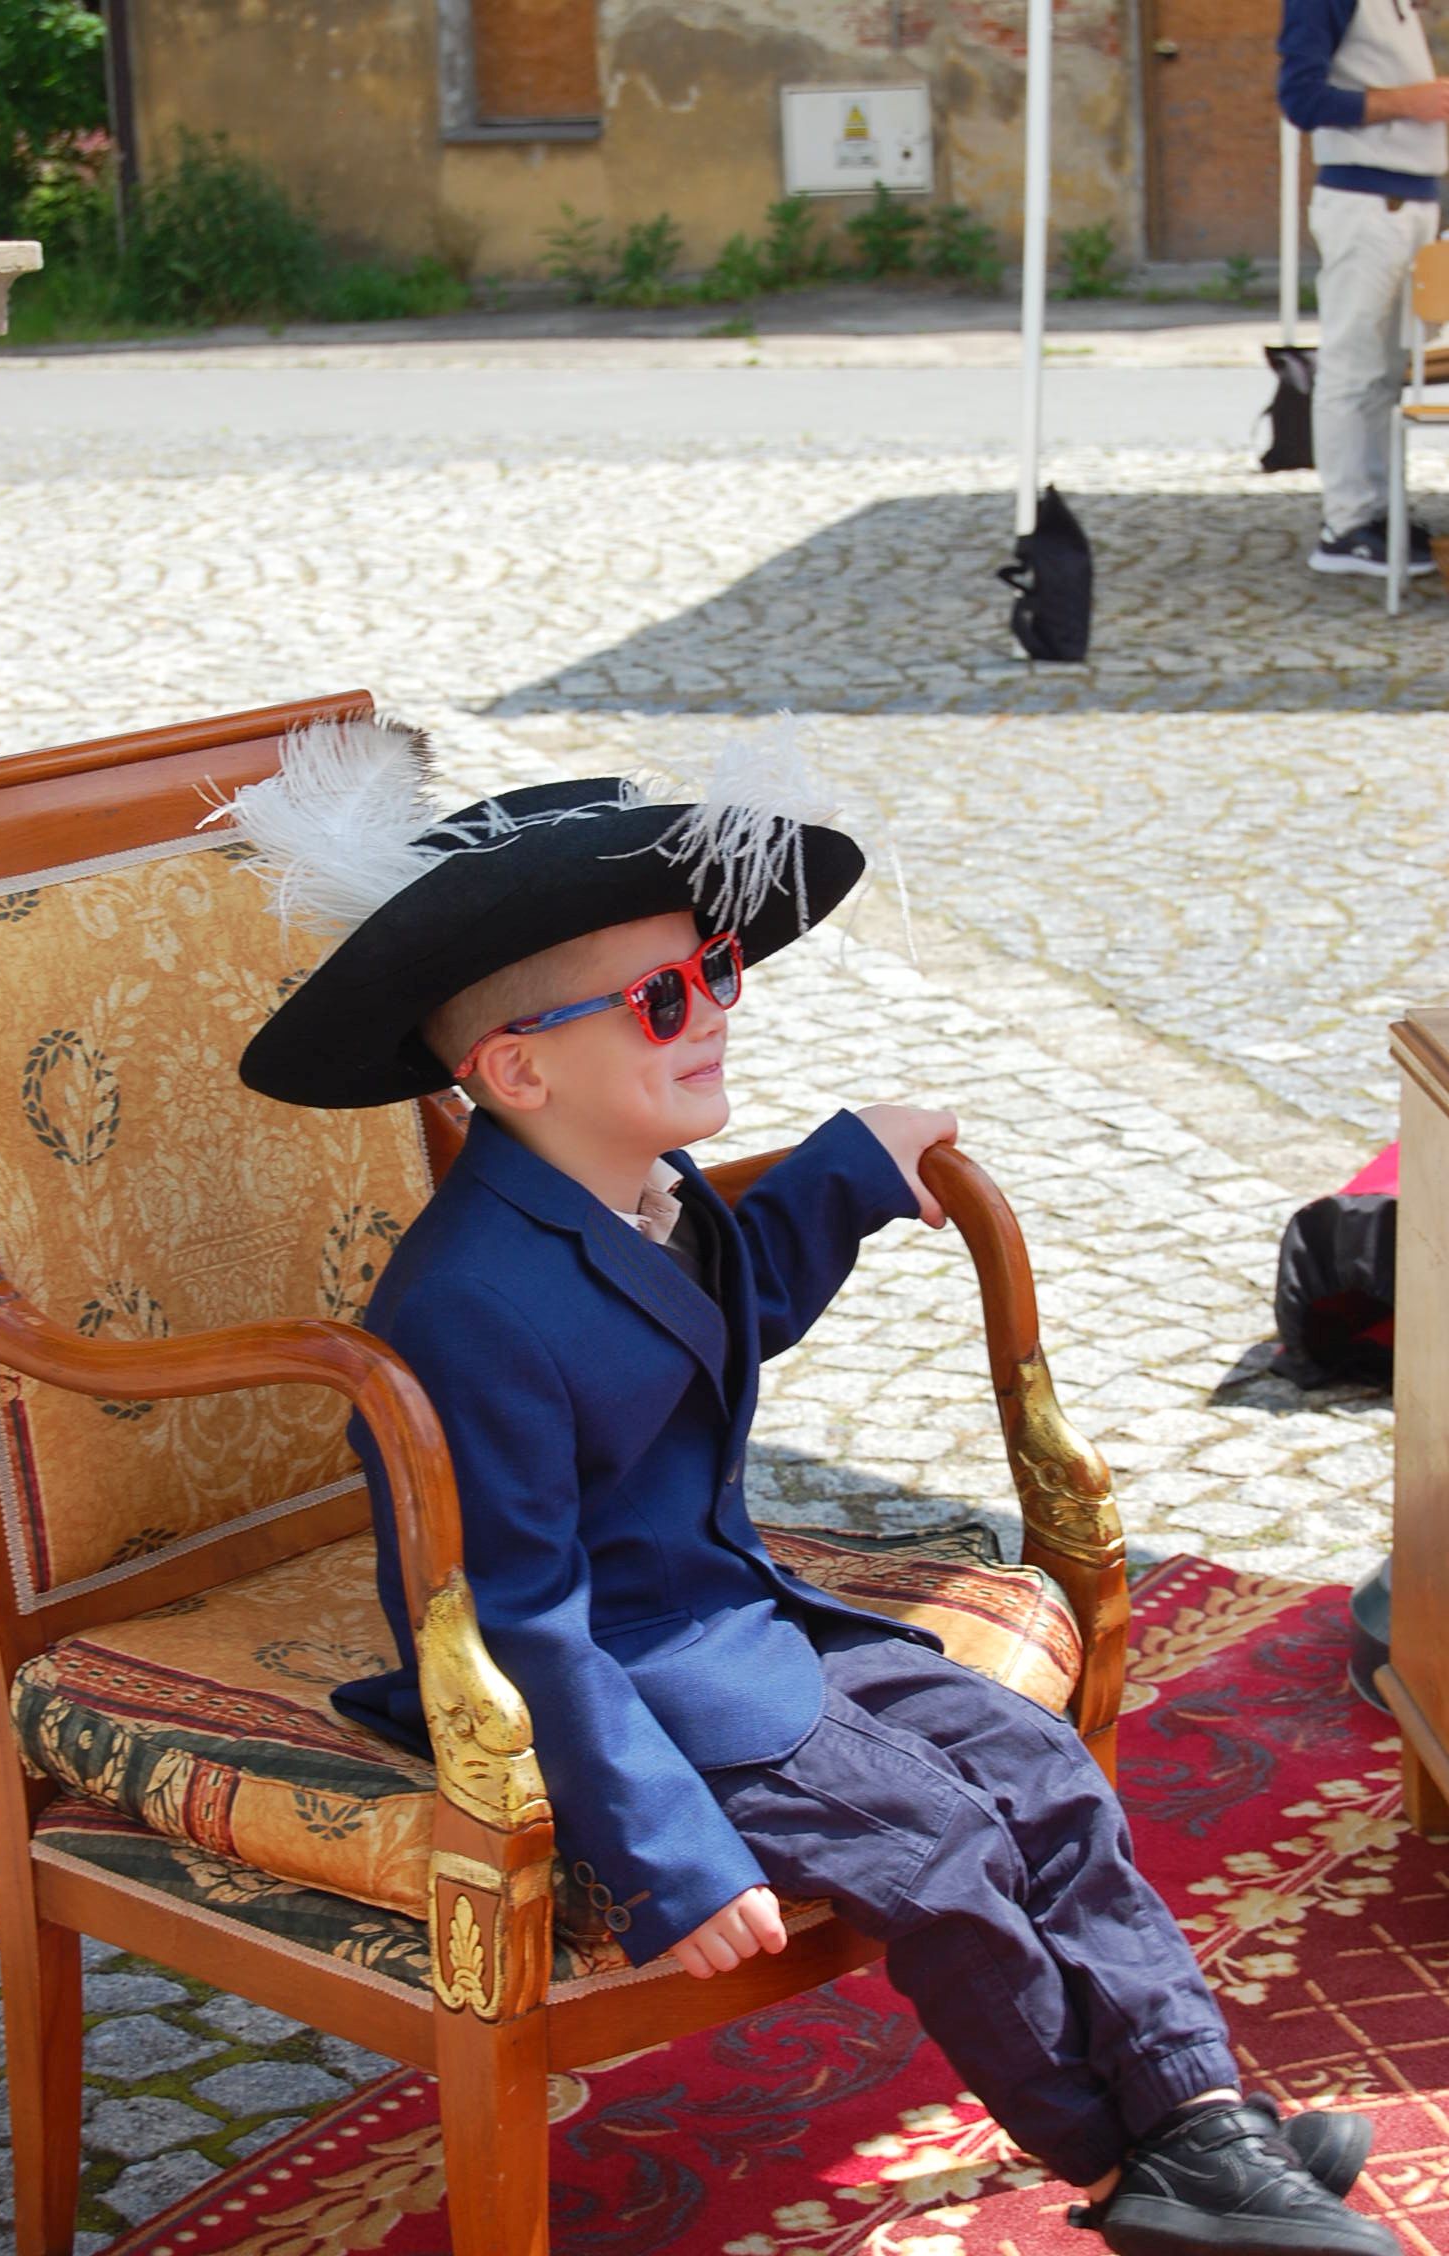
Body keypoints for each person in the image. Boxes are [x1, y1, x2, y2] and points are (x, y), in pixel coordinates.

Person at [224, 718, 1400, 2256]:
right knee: (938, 1844)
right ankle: (1132, 2170)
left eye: (715, 968)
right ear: (515, 1067)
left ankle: (1199, 2114)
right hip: (635, 1686)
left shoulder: (641, 1188)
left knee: (1039, 1769)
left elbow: (719, 1318)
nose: (716, 1008)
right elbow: (519, 1619)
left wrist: (849, 1164)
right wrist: (665, 1852)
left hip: (746, 1622)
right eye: (663, 998)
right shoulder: (465, 1306)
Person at [1279, 0, 1449, 578]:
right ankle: (1346, 526)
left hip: (1407, 200)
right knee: (1353, 367)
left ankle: (1376, 513)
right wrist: (1410, 101)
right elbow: (1301, 100)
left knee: (1385, 373)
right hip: (1366, 203)